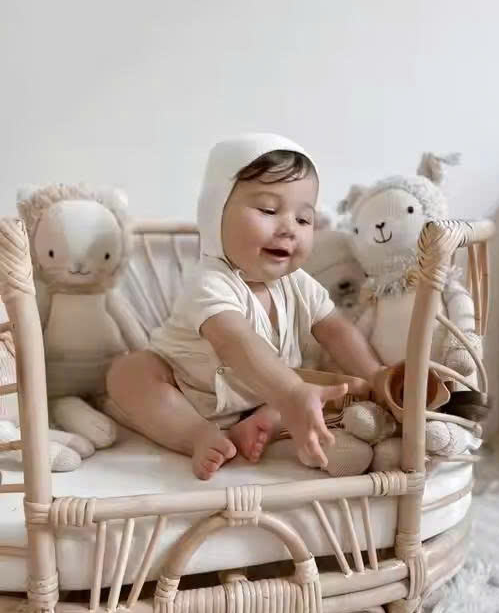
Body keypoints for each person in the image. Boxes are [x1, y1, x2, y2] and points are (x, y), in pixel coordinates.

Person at [106, 133, 384, 480]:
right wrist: (290, 392)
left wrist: (376, 375)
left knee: (336, 387)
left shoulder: (298, 284)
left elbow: (337, 330)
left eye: (303, 219)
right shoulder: (210, 282)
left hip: (266, 396)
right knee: (129, 372)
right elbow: (234, 341)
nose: (289, 228)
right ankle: (197, 435)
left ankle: (262, 421)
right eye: (268, 210)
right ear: (216, 213)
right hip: (184, 390)